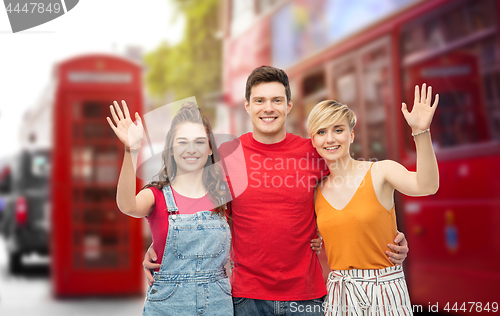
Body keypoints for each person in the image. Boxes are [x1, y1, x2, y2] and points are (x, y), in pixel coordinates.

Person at [144, 66, 409, 316]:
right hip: (247, 298)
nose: (268, 108)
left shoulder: (313, 152)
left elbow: (353, 193)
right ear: (247, 106)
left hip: (306, 296)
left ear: (288, 106)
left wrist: (388, 233)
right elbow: (195, 207)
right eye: (259, 101)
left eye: (276, 100)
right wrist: (160, 244)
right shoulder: (228, 156)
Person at [307, 84, 439, 315]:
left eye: (338, 130)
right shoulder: (315, 191)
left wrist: (421, 132)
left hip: (385, 290)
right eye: (321, 132)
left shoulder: (381, 171)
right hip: (340, 294)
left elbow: (427, 186)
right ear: (313, 140)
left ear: (351, 134)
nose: (330, 139)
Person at [107, 101, 233, 315]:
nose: (191, 150)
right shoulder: (156, 195)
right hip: (167, 306)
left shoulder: (225, 194)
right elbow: (127, 204)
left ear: (211, 148)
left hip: (218, 304)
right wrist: (131, 150)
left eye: (199, 142)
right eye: (182, 142)